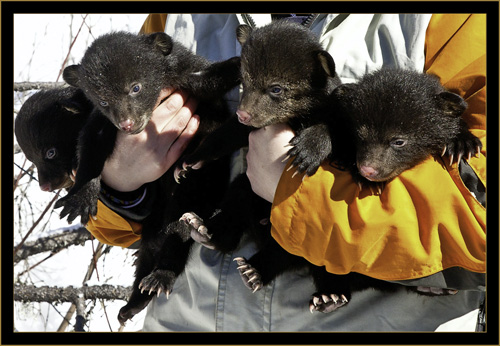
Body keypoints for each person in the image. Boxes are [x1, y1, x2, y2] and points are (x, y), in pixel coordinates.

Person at [84, 14, 486, 331]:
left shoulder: (456, 17)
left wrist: (301, 193)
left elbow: (482, 215)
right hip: (184, 318)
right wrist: (117, 185)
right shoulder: (178, 15)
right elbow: (116, 212)